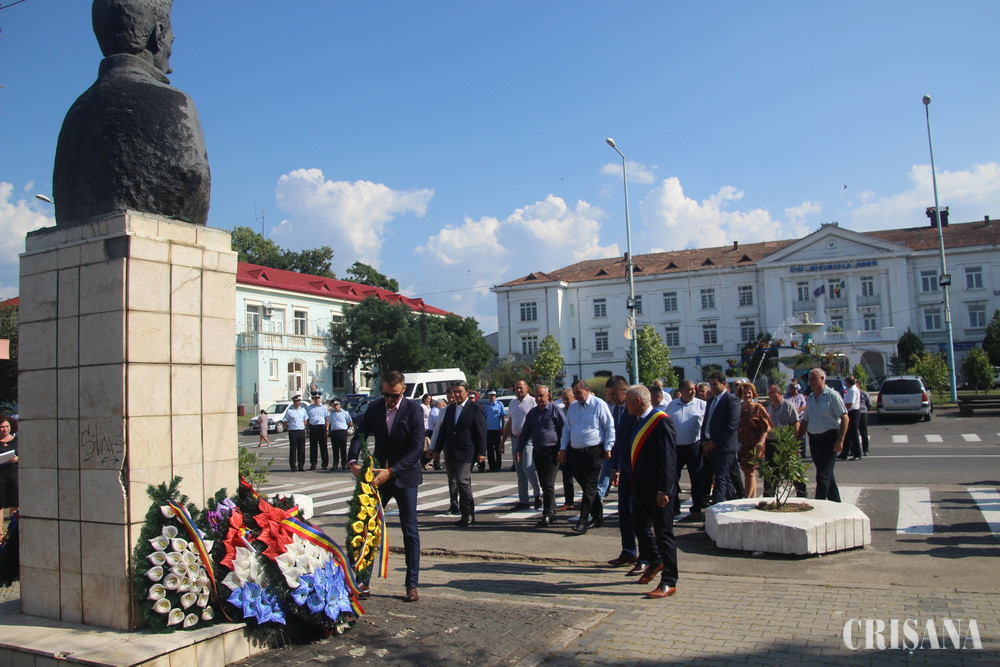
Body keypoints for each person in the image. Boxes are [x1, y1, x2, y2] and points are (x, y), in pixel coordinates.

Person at [54, 0, 210, 227]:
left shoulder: (76, 111)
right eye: (171, 39)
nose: (170, 66)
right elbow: (195, 183)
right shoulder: (175, 103)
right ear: (158, 35)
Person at [349, 371, 425, 602]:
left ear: (403, 389)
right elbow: (359, 435)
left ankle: (411, 584)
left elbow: (417, 449)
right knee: (368, 526)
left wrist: (391, 471)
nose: (390, 400)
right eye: (386, 395)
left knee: (409, 530)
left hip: (404, 477)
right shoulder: (375, 408)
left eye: (394, 395)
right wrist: (353, 461)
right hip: (377, 477)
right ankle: (363, 580)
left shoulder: (413, 410)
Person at [612, 385, 679, 599]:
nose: (625, 406)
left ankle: (669, 581)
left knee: (663, 534)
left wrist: (664, 489)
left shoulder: (661, 421)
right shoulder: (638, 421)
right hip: (641, 487)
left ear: (638, 401)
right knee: (639, 526)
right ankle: (656, 560)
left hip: (659, 490)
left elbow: (669, 459)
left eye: (628, 402)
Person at [559, 380, 615, 534]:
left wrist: (608, 447)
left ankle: (583, 521)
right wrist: (563, 448)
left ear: (587, 390)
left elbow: (609, 427)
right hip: (576, 452)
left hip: (594, 451)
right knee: (586, 486)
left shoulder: (599, 404)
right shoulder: (573, 407)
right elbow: (567, 429)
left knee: (590, 486)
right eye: (574, 394)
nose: (577, 396)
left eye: (579, 393)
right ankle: (598, 517)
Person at [433, 381, 487, 527]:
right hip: (451, 451)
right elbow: (444, 430)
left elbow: (481, 431)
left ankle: (469, 512)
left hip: (467, 450)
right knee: (456, 480)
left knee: (462, 480)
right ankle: (464, 514)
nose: (456, 394)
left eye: (459, 391)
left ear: (466, 392)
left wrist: (482, 452)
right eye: (455, 392)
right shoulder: (450, 409)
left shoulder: (475, 407)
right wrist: (437, 449)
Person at [519, 385, 565, 527]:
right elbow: (526, 432)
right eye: (537, 396)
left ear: (548, 396)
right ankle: (552, 509)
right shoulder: (532, 413)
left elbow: (565, 429)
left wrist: (562, 449)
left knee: (548, 483)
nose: (539, 399)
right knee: (544, 483)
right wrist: (519, 449)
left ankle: (548, 513)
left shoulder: (555, 410)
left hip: (552, 451)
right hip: (538, 451)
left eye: (541, 396)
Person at [800, 368, 849, 502]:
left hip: (829, 438)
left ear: (822, 379)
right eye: (810, 380)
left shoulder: (832, 395)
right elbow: (805, 420)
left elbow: (845, 417)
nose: (811, 382)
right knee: (827, 474)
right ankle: (836, 503)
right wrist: (797, 439)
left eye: (814, 379)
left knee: (822, 475)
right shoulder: (810, 397)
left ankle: (818, 504)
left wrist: (840, 440)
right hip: (815, 440)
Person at [665, 379, 706, 518]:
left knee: (696, 478)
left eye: (694, 389)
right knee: (673, 477)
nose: (692, 391)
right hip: (676, 447)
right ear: (681, 391)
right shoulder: (671, 405)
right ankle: (675, 506)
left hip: (694, 446)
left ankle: (697, 507)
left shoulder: (702, 405)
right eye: (689, 389)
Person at [700, 372, 742, 504]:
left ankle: (716, 507)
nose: (712, 387)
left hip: (724, 447)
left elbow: (731, 426)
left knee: (721, 478)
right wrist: (704, 441)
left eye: (715, 384)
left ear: (724, 384)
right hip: (711, 445)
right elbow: (706, 422)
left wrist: (715, 442)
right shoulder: (711, 400)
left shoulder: (731, 401)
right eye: (711, 384)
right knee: (725, 478)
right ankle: (733, 502)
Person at [501, 380, 540, 510]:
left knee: (528, 467)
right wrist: (502, 442)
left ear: (527, 388)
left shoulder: (533, 402)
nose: (518, 390)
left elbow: (537, 422)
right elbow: (509, 422)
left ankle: (537, 493)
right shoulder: (513, 403)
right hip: (515, 439)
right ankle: (524, 501)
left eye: (520, 388)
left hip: (528, 439)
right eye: (516, 388)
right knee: (520, 471)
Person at [764, 384, 807, 498]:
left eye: (771, 393)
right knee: (772, 471)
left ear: (779, 393)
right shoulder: (769, 408)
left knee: (793, 469)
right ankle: (769, 496)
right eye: (769, 393)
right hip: (772, 443)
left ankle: (802, 494)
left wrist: (794, 444)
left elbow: (796, 424)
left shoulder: (788, 406)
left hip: (786, 442)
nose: (769, 395)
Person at [736, 383, 772, 499]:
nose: (747, 395)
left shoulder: (758, 408)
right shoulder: (738, 408)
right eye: (744, 393)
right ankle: (753, 499)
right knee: (747, 472)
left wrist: (761, 442)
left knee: (750, 472)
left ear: (753, 394)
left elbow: (766, 427)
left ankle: (746, 499)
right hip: (742, 445)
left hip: (755, 445)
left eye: (749, 393)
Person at [555, 388, 576, 511]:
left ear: (573, 397)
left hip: (578, 446)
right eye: (563, 399)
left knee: (582, 476)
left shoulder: (578, 409)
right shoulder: (561, 411)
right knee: (566, 475)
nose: (565, 401)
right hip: (565, 446)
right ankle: (569, 501)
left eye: (567, 398)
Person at [0, 416, 19, 536]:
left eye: (7, 426)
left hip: (13, 475)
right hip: (0, 476)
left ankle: (11, 533)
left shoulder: (16, 440)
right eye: (2, 427)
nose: (5, 429)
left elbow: (24, 455)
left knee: (14, 503)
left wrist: (17, 458)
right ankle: (0, 534)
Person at [839, 376, 863, 461]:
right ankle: (844, 453)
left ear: (848, 382)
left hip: (853, 413)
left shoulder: (853, 390)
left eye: (845, 382)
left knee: (854, 434)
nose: (845, 383)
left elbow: (850, 404)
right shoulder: (850, 389)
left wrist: (842, 411)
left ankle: (857, 454)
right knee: (847, 434)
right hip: (850, 412)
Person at [483, 390, 507, 472]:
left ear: (495, 396)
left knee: (497, 448)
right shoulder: (485, 405)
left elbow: (503, 416)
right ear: (488, 396)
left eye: (493, 395)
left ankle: (498, 465)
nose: (492, 397)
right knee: (489, 449)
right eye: (490, 395)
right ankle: (492, 466)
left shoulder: (499, 404)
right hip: (488, 429)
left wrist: (503, 427)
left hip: (496, 429)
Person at [283, 395, 309, 472]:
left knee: (302, 449)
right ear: (294, 402)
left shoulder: (303, 410)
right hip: (293, 431)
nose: (298, 402)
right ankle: (293, 466)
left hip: (301, 431)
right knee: (293, 450)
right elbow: (285, 421)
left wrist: (303, 425)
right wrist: (289, 428)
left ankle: (301, 466)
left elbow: (306, 419)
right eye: (296, 401)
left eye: (299, 401)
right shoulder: (290, 411)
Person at [306, 393, 330, 470]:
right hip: (313, 427)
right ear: (313, 399)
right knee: (313, 447)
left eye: (318, 398)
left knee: (323, 446)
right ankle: (313, 464)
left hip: (321, 427)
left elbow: (327, 418)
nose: (317, 400)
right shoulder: (309, 408)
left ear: (320, 399)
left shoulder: (324, 408)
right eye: (315, 398)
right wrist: (307, 428)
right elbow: (307, 419)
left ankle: (325, 464)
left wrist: (327, 429)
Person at [327, 399, 352, 471]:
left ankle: (344, 465)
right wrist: (328, 429)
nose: (336, 406)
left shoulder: (345, 413)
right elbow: (329, 422)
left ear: (340, 405)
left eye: (337, 405)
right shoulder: (331, 414)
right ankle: (335, 465)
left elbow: (350, 422)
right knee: (335, 449)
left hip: (342, 432)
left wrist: (346, 429)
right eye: (334, 405)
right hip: (334, 432)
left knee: (343, 449)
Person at [858, 388, 871, 456]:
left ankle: (865, 450)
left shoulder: (864, 394)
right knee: (853, 433)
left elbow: (869, 404)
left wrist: (865, 411)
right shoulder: (850, 393)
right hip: (853, 414)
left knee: (864, 433)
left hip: (862, 413)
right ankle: (854, 450)